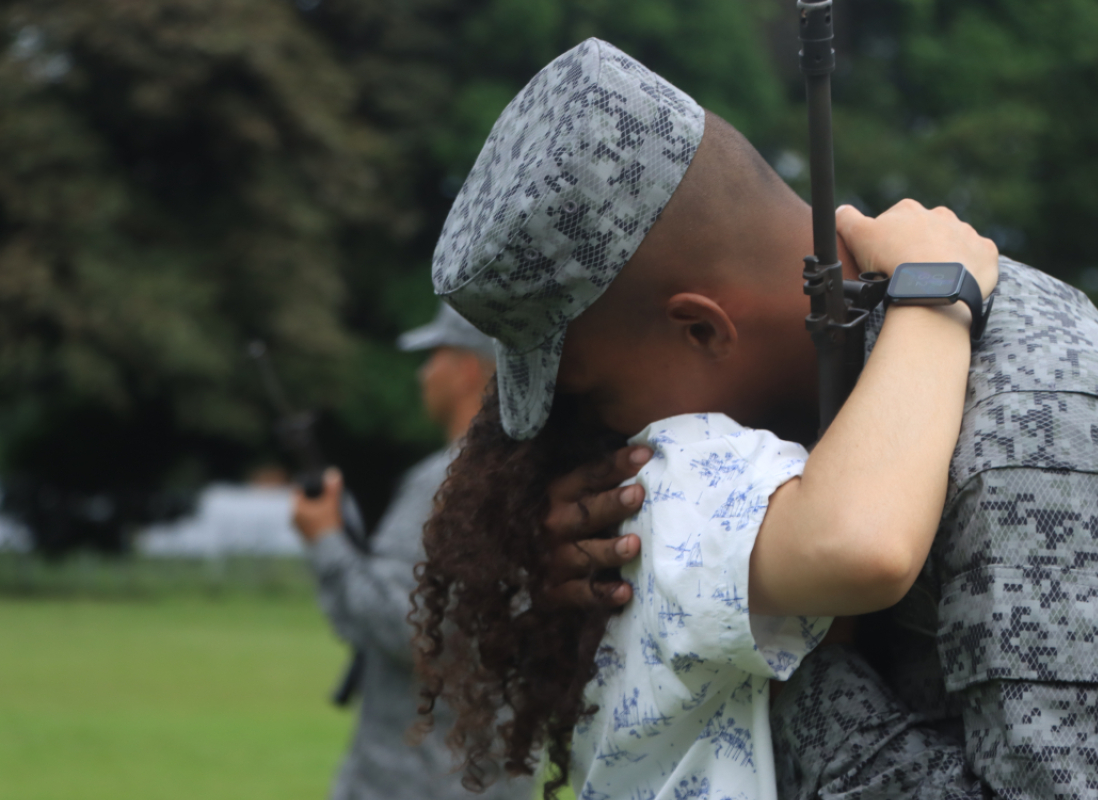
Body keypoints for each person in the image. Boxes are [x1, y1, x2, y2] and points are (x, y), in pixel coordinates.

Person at [420, 37, 1098, 800]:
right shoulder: (882, 387)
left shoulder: (1029, 440)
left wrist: (804, 676)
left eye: (596, 401)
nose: (607, 439)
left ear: (703, 326)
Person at [409, 38, 1003, 799]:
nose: (601, 425)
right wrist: (933, 298)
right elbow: (864, 545)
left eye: (584, 394)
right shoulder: (668, 475)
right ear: (698, 328)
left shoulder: (617, 517)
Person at [292, 303, 531, 800]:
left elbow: (407, 627)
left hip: (412, 779)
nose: (423, 375)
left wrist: (327, 540)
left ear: (466, 370)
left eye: (433, 357)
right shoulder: (530, 477)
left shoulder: (443, 485)